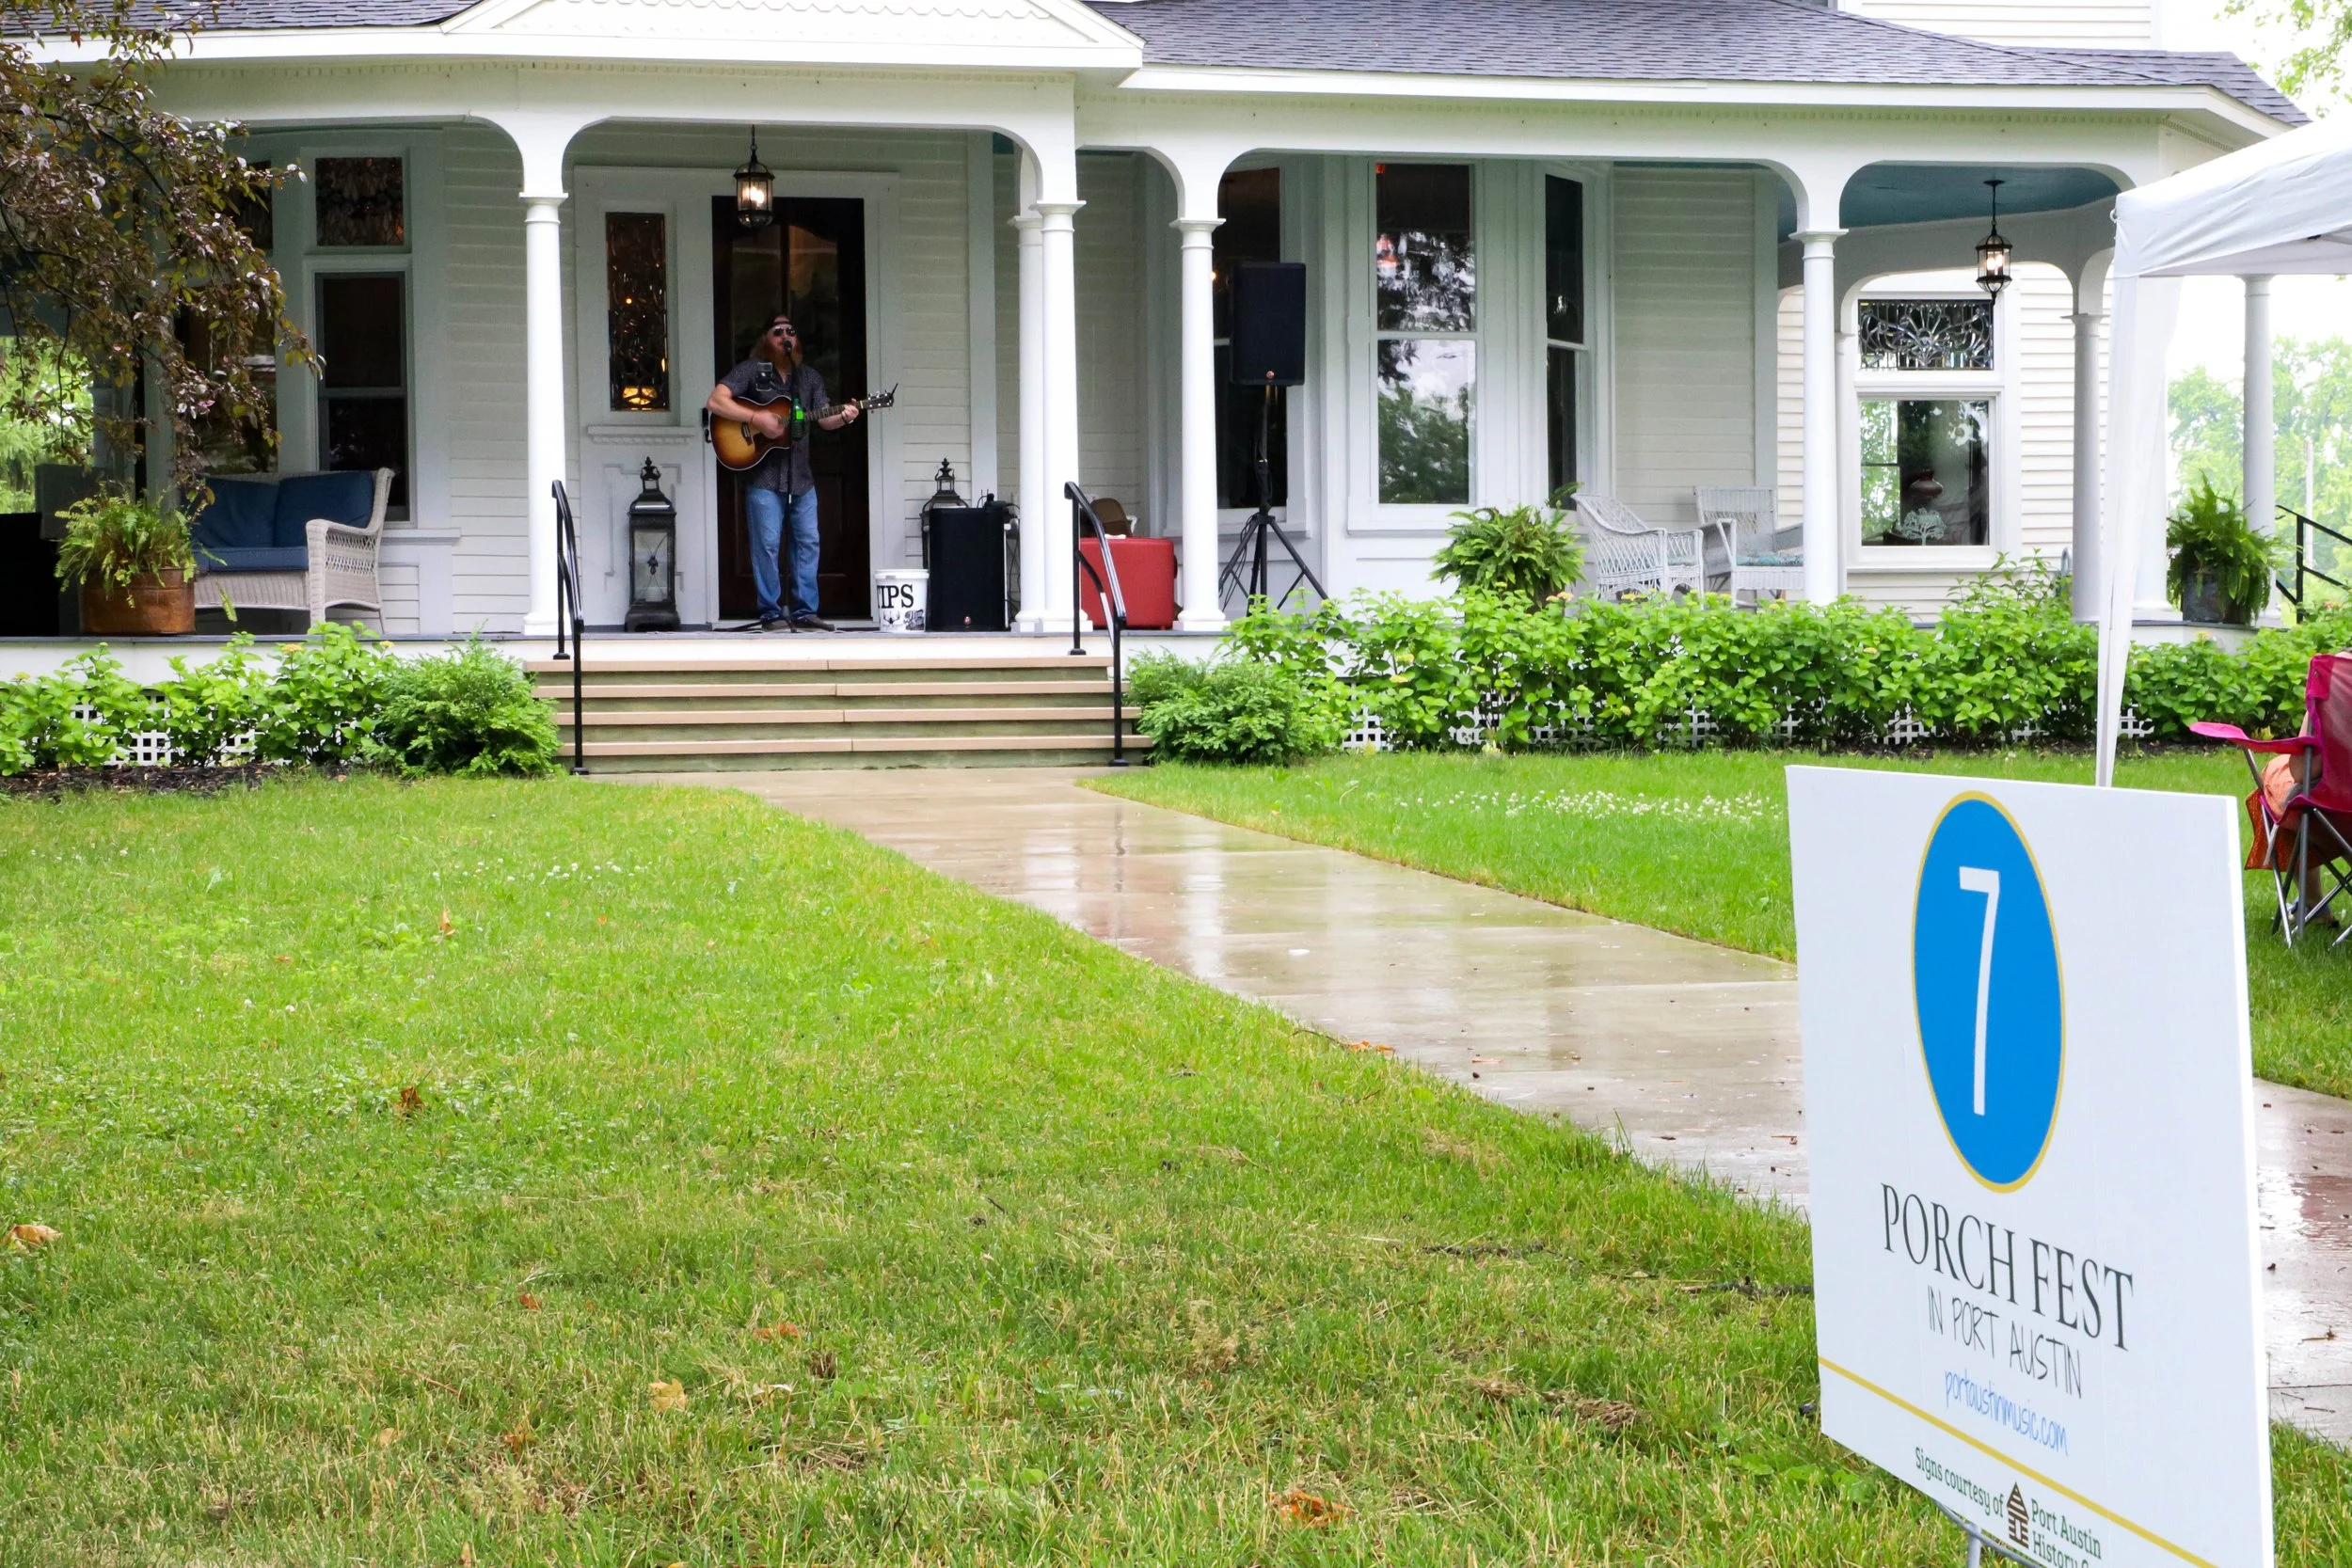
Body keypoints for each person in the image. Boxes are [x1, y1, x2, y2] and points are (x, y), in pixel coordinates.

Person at [706, 314, 861, 631]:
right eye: (778, 331)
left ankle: (805, 611)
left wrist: (845, 416)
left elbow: (824, 419)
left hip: (801, 476)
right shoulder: (751, 371)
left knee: (809, 541)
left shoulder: (809, 379)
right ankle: (770, 613)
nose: (785, 335)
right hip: (763, 475)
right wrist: (757, 418)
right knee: (767, 544)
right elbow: (716, 402)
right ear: (766, 338)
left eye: (791, 330)